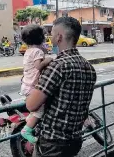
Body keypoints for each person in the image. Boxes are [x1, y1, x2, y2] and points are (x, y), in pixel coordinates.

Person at [26, 17, 97, 157]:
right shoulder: (89, 67)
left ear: (59, 37)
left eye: (52, 33)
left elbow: (31, 105)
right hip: (75, 139)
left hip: (52, 141)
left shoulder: (57, 66)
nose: (50, 36)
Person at [19, 25, 53, 144]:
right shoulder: (37, 51)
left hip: (26, 85)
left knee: (35, 110)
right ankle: (26, 130)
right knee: (39, 111)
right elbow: (39, 66)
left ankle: (29, 120)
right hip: (33, 87)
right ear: (40, 38)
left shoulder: (28, 51)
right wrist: (48, 60)